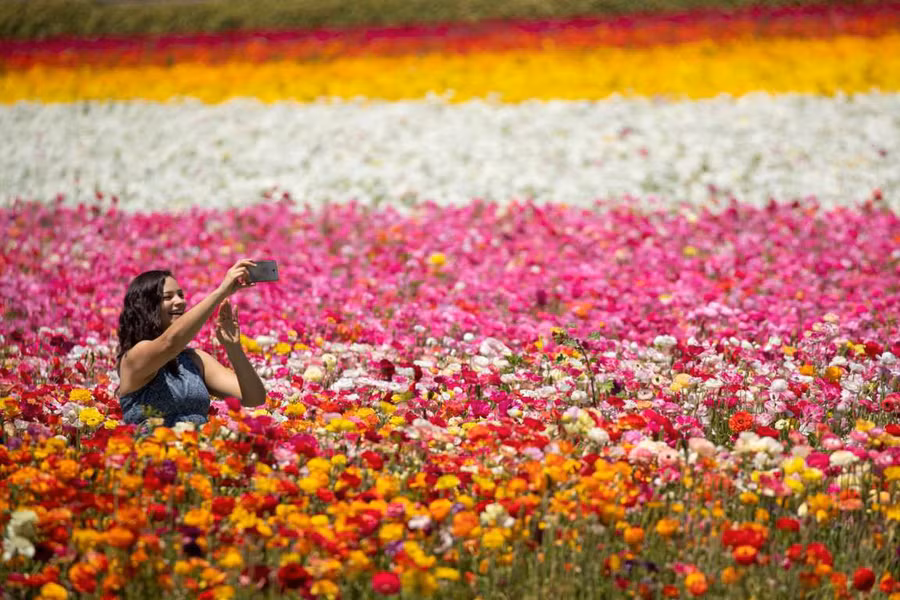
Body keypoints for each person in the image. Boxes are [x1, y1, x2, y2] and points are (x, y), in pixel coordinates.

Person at [115, 260, 267, 430]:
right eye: (168, 297)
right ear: (145, 306)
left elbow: (254, 398)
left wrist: (233, 348)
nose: (180, 302)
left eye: (181, 295)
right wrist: (221, 292)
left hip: (197, 451)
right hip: (153, 452)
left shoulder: (194, 359)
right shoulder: (134, 356)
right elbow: (170, 343)